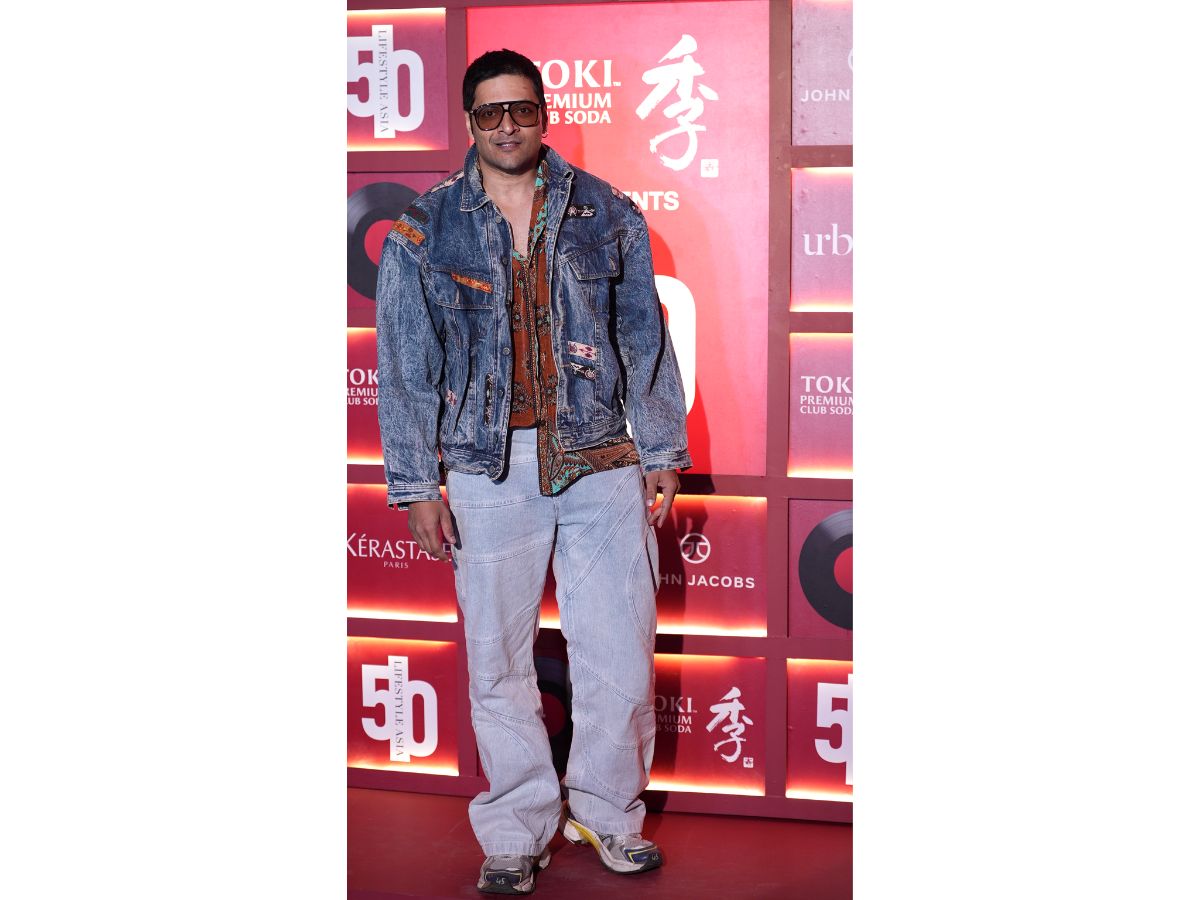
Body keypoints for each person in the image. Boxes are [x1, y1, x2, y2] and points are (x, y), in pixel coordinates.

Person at [375, 48, 692, 895]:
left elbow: (643, 338)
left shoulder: (607, 211)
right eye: (491, 113)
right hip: (486, 467)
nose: (507, 126)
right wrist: (416, 485)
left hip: (601, 460)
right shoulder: (423, 230)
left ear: (544, 114)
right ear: (471, 122)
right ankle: (516, 829)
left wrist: (662, 448)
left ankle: (610, 815)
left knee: (619, 652)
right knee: (497, 662)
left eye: (521, 109)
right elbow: (405, 370)